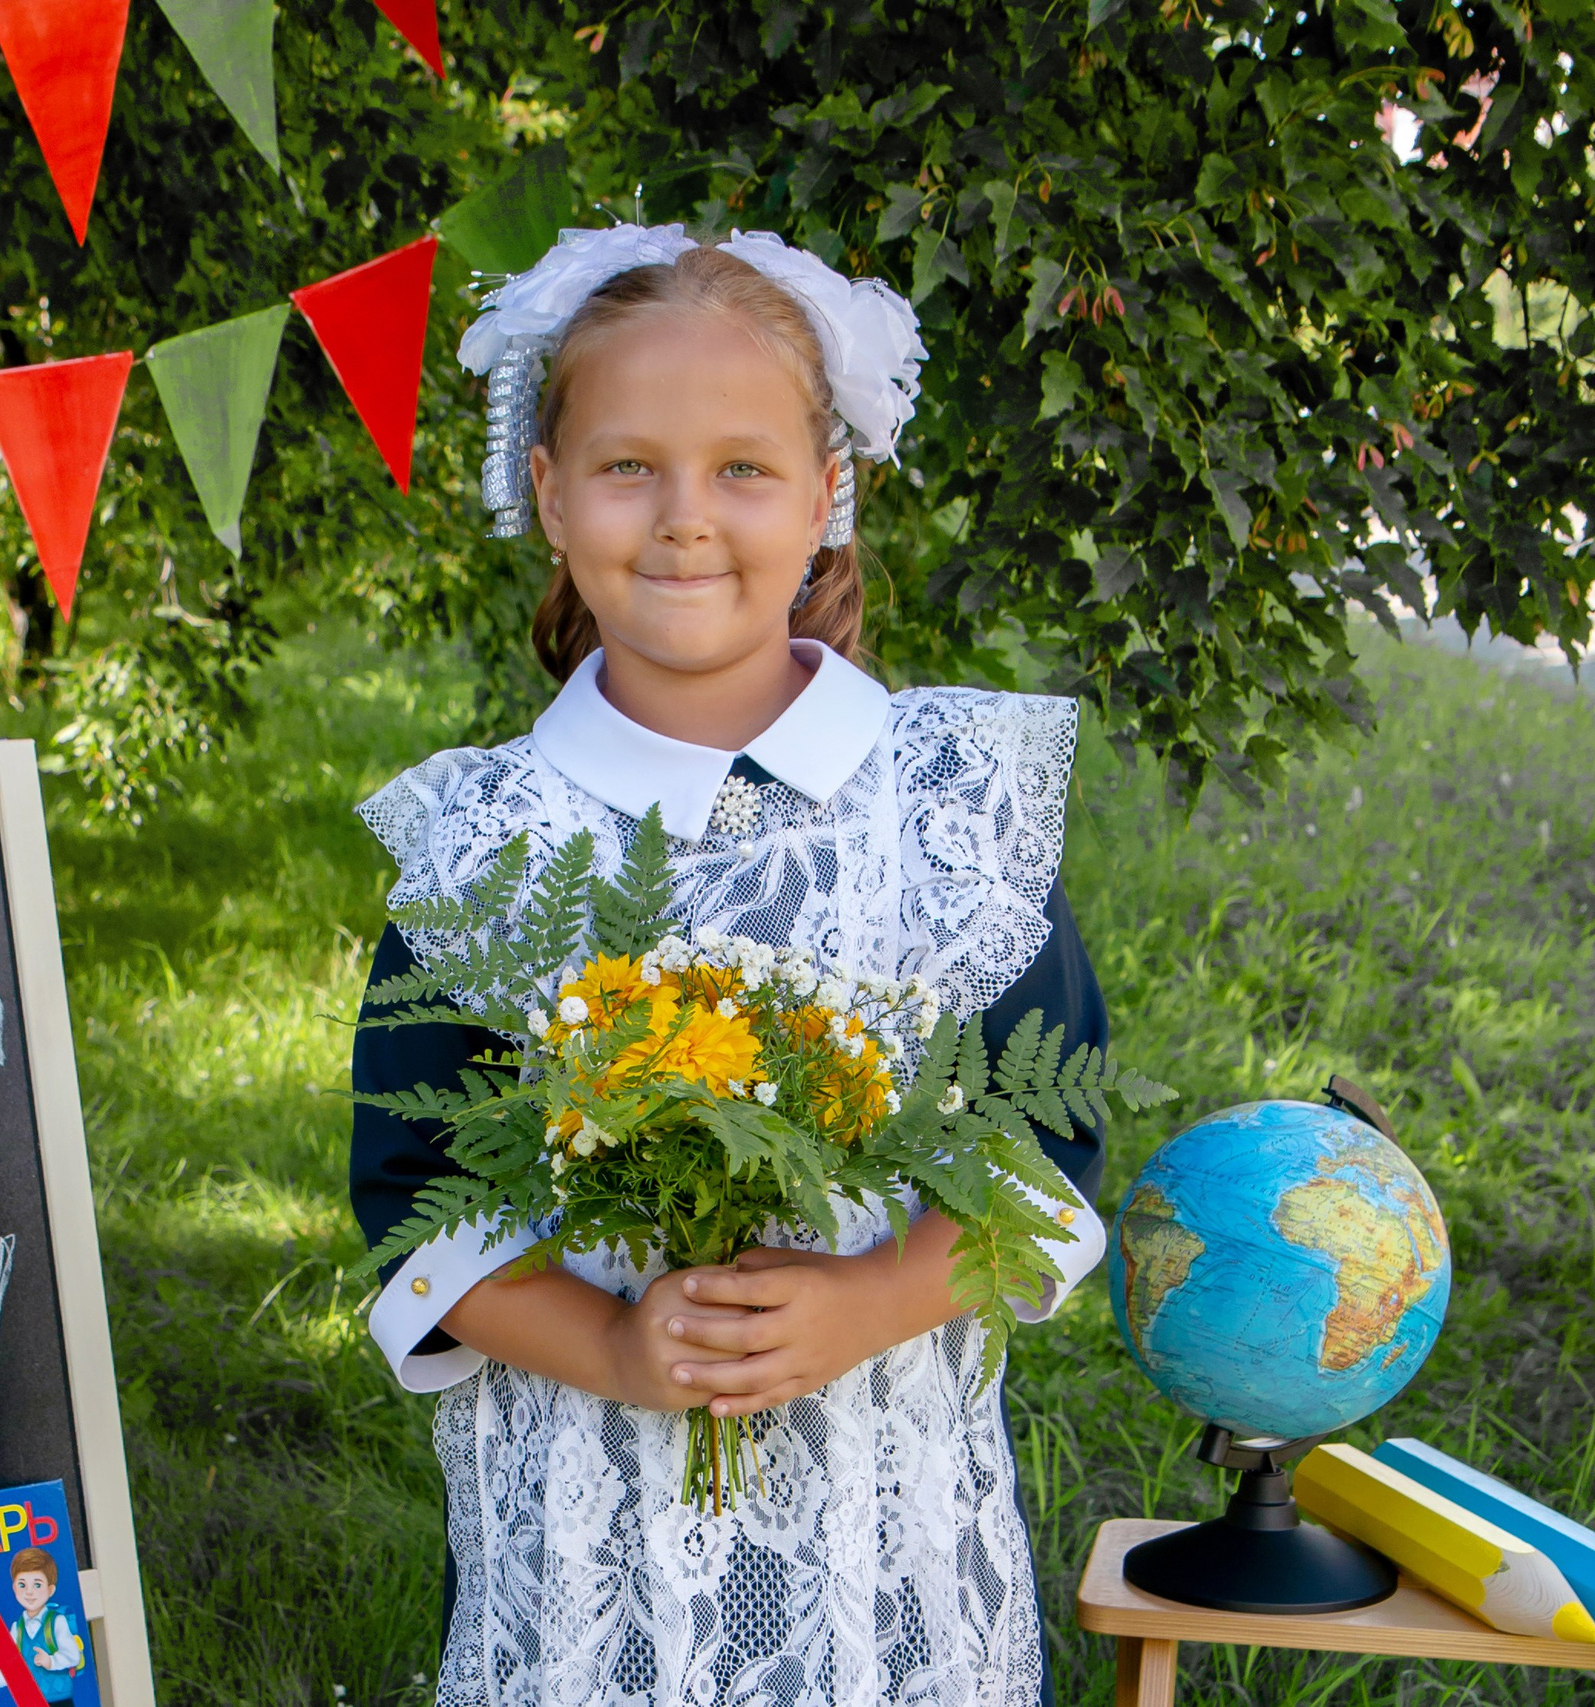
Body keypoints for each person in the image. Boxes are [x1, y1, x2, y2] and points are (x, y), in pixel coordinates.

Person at [348, 225, 1113, 1707]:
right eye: (630, 466)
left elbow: (1050, 1145)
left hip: (882, 1526)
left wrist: (872, 1297)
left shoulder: (948, 805)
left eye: (743, 468)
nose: (685, 517)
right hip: (587, 1525)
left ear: (829, 495)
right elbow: (416, 1207)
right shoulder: (478, 844)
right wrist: (625, 1349)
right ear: (550, 496)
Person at [0, 1547, 86, 1703]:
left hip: (59, 1699)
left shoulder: (56, 1621)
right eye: (22, 1585)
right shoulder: (17, 1628)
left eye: (37, 1585)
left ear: (50, 1590)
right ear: (14, 1587)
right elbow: (11, 1665)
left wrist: (51, 1661)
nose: (29, 1592)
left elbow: (73, 1656)